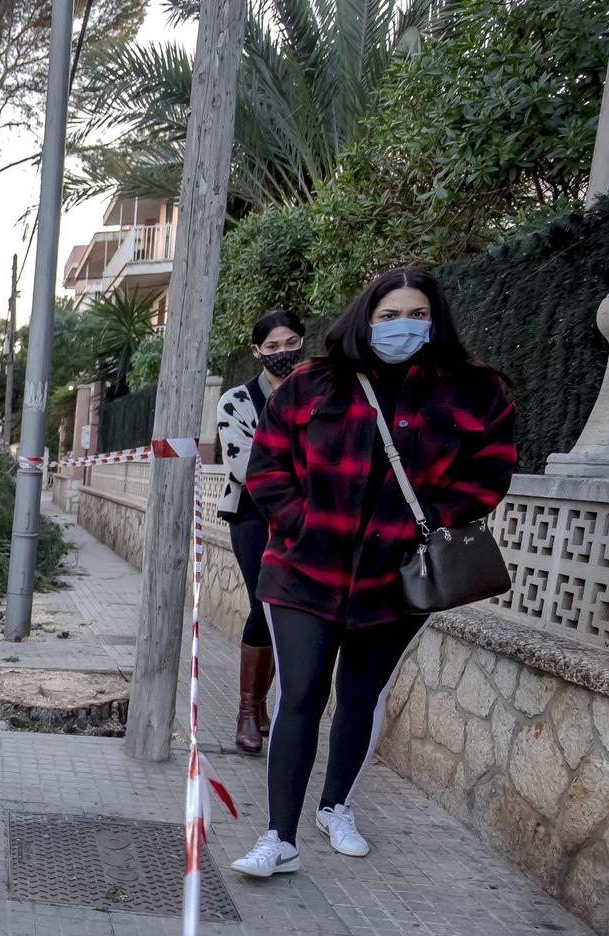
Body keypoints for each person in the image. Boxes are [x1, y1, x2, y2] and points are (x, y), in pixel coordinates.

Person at [232, 267, 515, 878]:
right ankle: (279, 837)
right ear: (366, 318)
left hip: (398, 580)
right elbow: (267, 466)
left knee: (361, 693)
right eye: (389, 316)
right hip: (305, 572)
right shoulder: (312, 383)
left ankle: (338, 807)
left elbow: (489, 474)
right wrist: (300, 522)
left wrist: (427, 525)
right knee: (301, 693)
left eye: (416, 314)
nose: (402, 326)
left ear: (435, 320)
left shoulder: (475, 391)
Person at [216, 309, 307, 754]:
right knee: (264, 601)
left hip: (311, 517)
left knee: (287, 608)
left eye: (291, 343)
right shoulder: (236, 401)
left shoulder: (320, 393)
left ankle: (268, 705)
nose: (283, 353)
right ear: (256, 352)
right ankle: (248, 710)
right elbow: (246, 466)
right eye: (272, 347)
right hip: (253, 515)